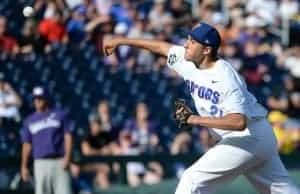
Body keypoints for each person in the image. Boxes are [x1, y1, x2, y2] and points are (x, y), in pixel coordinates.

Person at [103, 22, 300, 194]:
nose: (186, 44)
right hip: (257, 137)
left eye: (192, 42)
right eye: (188, 39)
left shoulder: (225, 77)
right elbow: (161, 47)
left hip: (248, 136)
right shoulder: (190, 60)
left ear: (206, 49)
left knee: (191, 180)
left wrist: (194, 119)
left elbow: (238, 122)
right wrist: (122, 40)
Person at [20, 86, 73, 194]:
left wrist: (68, 157)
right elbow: (27, 145)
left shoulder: (60, 115)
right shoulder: (29, 121)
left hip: (59, 161)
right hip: (40, 162)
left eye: (40, 98)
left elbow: (68, 136)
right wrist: (24, 166)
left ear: (46, 98)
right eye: (35, 99)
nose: (37, 101)